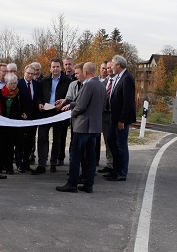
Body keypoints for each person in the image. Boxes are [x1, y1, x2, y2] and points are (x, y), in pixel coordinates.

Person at [56, 62, 105, 193]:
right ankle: (89, 184)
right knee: (90, 157)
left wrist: (70, 113)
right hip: (94, 127)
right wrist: (72, 104)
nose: (78, 75)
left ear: (86, 72)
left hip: (83, 126)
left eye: (81, 72)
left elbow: (81, 106)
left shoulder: (88, 85)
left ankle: (72, 183)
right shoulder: (100, 85)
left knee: (75, 155)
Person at [31, 58, 71, 175]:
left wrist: (62, 104)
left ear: (61, 67)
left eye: (57, 66)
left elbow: (69, 97)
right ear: (50, 68)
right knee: (42, 137)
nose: (55, 69)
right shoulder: (44, 81)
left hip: (59, 113)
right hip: (45, 112)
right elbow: (39, 95)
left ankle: (53, 163)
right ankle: (42, 164)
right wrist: (39, 103)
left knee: (57, 139)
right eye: (53, 67)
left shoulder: (67, 81)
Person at [104, 55, 136, 182]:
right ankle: (115, 170)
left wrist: (122, 120)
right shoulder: (119, 77)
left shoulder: (127, 78)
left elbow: (128, 102)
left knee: (121, 145)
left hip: (120, 119)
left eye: (112, 64)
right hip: (114, 116)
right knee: (111, 141)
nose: (111, 66)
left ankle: (122, 173)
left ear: (118, 65)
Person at [0, 73, 26, 174]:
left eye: (15, 83)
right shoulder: (0, 93)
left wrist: (23, 113)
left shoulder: (19, 94)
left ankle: (9, 167)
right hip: (1, 124)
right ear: (6, 83)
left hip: (13, 124)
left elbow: (22, 107)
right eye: (12, 83)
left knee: (10, 147)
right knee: (0, 146)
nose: (14, 85)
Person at [17, 64, 41, 172]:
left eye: (32, 73)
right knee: (20, 141)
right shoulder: (18, 83)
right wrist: (21, 112)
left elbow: (38, 97)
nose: (30, 75)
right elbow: (17, 100)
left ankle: (26, 163)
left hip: (33, 117)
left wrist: (40, 103)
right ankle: (19, 164)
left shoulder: (36, 84)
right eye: (28, 73)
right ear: (24, 73)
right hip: (22, 117)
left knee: (30, 141)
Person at [98, 60, 115, 174]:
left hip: (112, 114)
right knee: (104, 140)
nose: (107, 70)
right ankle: (109, 164)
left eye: (109, 68)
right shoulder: (103, 82)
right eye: (105, 68)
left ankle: (113, 164)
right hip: (102, 114)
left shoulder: (117, 81)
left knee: (112, 140)